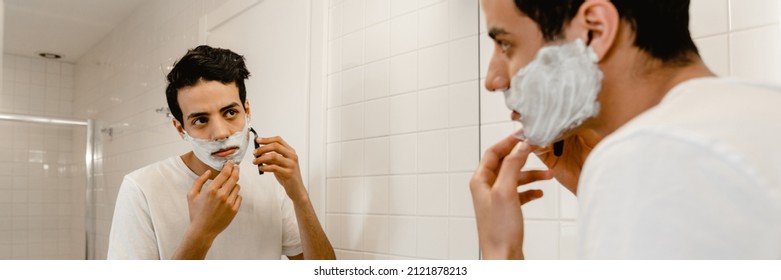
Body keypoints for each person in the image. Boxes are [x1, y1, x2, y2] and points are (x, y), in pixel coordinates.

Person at [472, 0, 781, 259]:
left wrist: (502, 254)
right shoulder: (761, 108)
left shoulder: (649, 155)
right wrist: (601, 193)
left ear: (594, 31)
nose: (493, 80)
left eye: (505, 44)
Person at [107, 45, 335, 260]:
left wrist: (300, 197)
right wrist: (201, 234)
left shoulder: (270, 181)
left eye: (230, 113)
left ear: (246, 111)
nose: (220, 133)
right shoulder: (141, 188)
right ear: (180, 129)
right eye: (201, 120)